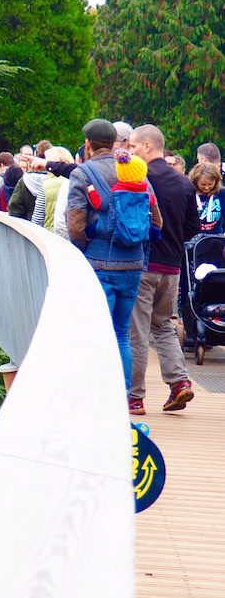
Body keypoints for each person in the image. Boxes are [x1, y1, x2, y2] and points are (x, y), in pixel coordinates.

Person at [66, 119, 162, 399]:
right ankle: (123, 396)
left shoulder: (83, 173)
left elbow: (75, 223)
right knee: (121, 333)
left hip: (100, 266)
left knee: (98, 333)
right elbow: (158, 222)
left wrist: (85, 247)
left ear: (88, 145)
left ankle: (98, 397)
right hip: (133, 265)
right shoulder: (135, 172)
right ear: (115, 143)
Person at [127, 123, 199, 414]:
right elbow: (193, 227)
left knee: (138, 331)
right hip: (172, 268)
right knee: (164, 325)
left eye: (132, 146)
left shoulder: (140, 178)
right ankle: (179, 383)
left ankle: (134, 397)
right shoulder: (183, 182)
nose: (129, 152)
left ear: (147, 147)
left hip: (143, 264)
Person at [41, 147, 75, 235]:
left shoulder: (45, 185)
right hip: (73, 236)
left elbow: (37, 218)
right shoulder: (76, 181)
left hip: (49, 235)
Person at [189, 162, 223, 234]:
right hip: (193, 239)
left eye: (210, 184)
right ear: (195, 181)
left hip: (216, 238)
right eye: (203, 184)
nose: (207, 188)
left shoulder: (222, 193)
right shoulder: (189, 193)